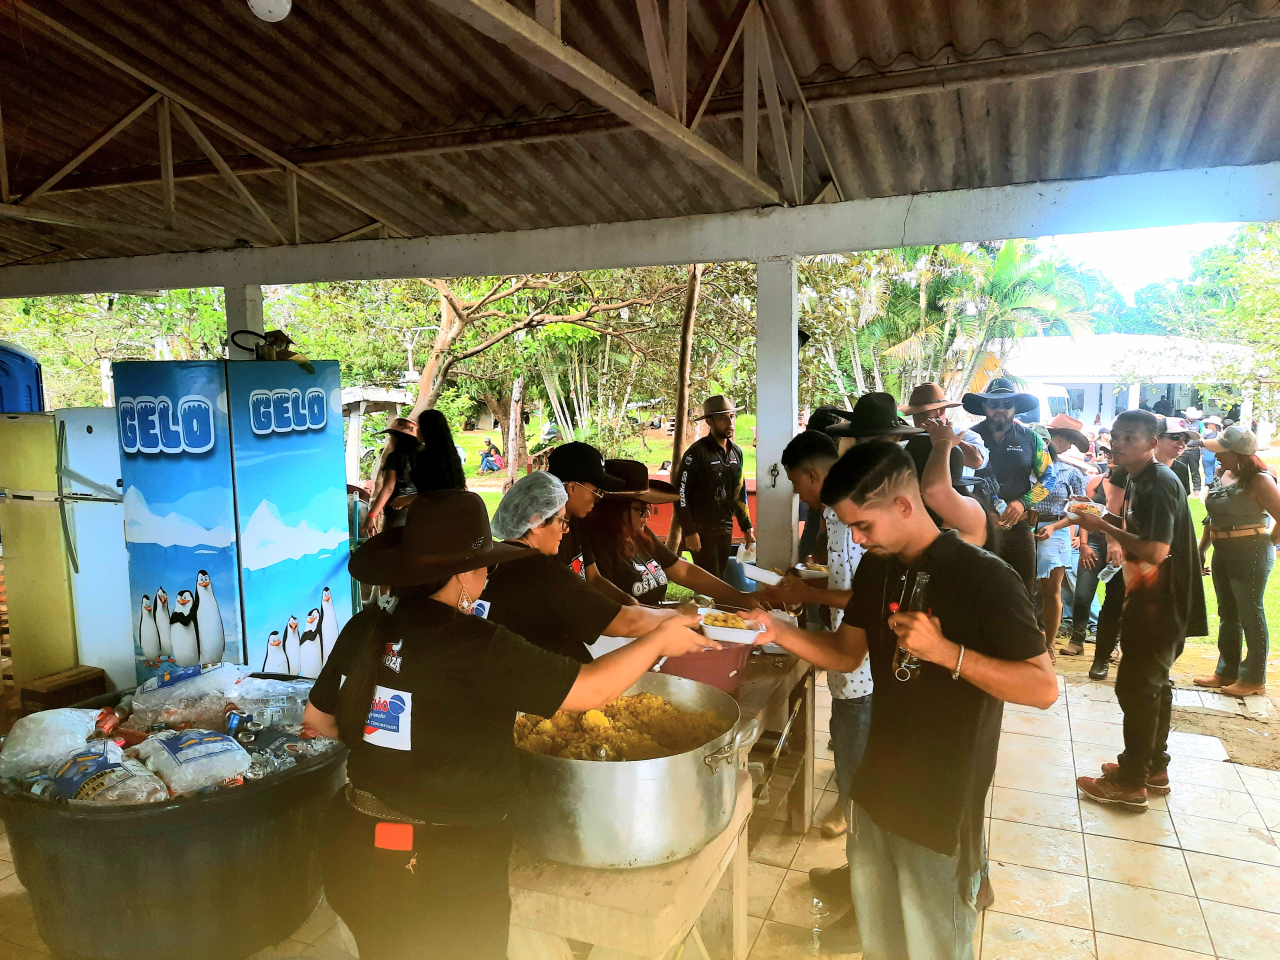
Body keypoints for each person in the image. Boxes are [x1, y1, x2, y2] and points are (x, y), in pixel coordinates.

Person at [303, 490, 710, 960]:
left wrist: (397, 742)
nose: (488, 576)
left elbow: (319, 720)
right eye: (485, 567)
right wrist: (658, 640)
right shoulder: (478, 643)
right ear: (461, 575)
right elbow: (591, 691)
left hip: (356, 845)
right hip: (443, 864)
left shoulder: (366, 627)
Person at [751, 441, 1056, 960]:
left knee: (934, 941)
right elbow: (845, 653)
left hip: (942, 796)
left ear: (903, 505)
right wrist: (774, 631)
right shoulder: (880, 567)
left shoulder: (984, 576)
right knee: (882, 936)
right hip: (879, 779)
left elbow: (1042, 688)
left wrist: (947, 653)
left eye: (862, 525)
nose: (855, 538)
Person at [1074, 410, 1207, 810]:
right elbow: (1141, 527)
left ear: (1151, 443)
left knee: (1136, 687)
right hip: (1149, 598)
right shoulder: (1136, 477)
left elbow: (1155, 550)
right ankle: (1151, 767)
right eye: (1115, 436)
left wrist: (1104, 529)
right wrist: (1099, 515)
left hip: (1161, 603)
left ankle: (1132, 783)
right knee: (1153, 685)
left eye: (1129, 438)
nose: (1117, 443)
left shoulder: (1160, 481)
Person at [480, 472, 678, 662]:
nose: (566, 529)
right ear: (536, 521)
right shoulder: (546, 573)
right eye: (562, 520)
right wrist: (678, 616)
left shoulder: (488, 563)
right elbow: (625, 623)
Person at [589, 459, 761, 607]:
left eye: (648, 508)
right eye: (641, 510)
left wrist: (740, 598)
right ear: (615, 510)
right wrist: (670, 613)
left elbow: (684, 571)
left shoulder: (641, 535)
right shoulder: (598, 545)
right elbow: (615, 608)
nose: (647, 515)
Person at [1193, 426, 1280, 697]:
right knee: (1228, 613)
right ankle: (1226, 671)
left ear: (1238, 453)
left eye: (1221, 451)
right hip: (1222, 549)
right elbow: (1212, 517)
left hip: (1250, 550)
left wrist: (1268, 542)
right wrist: (1202, 548)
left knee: (1250, 613)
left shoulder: (1259, 479)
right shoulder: (1222, 473)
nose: (1216, 455)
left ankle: (1253, 678)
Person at [962, 378, 1054, 595]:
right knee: (977, 592)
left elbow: (1049, 479)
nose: (1000, 409)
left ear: (1016, 407)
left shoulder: (1031, 438)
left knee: (1022, 592)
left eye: (1007, 403)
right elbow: (957, 480)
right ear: (984, 406)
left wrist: (1023, 503)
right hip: (977, 527)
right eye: (994, 404)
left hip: (1018, 529)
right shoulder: (968, 438)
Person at [672, 395, 756, 578]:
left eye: (731, 417)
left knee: (720, 579)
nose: (730, 423)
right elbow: (680, 493)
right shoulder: (697, 453)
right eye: (722, 418)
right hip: (701, 531)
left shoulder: (736, 453)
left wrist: (747, 528)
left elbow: (739, 492)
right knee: (710, 581)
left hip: (725, 528)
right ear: (709, 422)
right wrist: (690, 531)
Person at [546, 442, 636, 607]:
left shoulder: (577, 523)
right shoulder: (543, 536)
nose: (597, 500)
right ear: (572, 487)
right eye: (596, 492)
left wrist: (629, 602)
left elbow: (593, 578)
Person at [1028, 424, 1087, 662]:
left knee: (1051, 591)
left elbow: (1081, 511)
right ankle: (1023, 640)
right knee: (1019, 587)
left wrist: (1055, 527)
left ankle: (1049, 645)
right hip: (1022, 528)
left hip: (1055, 528)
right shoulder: (1021, 470)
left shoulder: (1069, 472)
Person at [899, 383, 987, 473]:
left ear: (941, 411)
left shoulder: (968, 436)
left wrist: (949, 440)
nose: (917, 420)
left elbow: (977, 461)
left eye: (922, 414)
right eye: (914, 415)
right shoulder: (912, 440)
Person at [362, 417, 422, 537]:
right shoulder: (426, 456)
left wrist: (372, 514)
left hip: (398, 511)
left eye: (391, 436)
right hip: (422, 510)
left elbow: (388, 488)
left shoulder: (394, 457)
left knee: (395, 545)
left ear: (398, 439)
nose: (390, 439)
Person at [413, 410, 467, 494]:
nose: (416, 429)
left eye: (418, 426)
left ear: (425, 430)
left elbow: (426, 491)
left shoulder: (424, 457)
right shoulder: (451, 454)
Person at [1156, 417, 1196, 495]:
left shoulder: (1181, 469)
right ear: (1156, 439)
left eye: (1186, 440)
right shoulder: (1138, 468)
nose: (1182, 443)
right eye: (1176, 437)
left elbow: (1183, 500)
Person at [1201, 416, 1223, 498]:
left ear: (1214, 425)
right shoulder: (1221, 434)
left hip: (1208, 452)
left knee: (1209, 472)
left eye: (1210, 424)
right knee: (1216, 472)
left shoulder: (1205, 433)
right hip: (1217, 452)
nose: (1208, 425)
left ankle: (1208, 490)